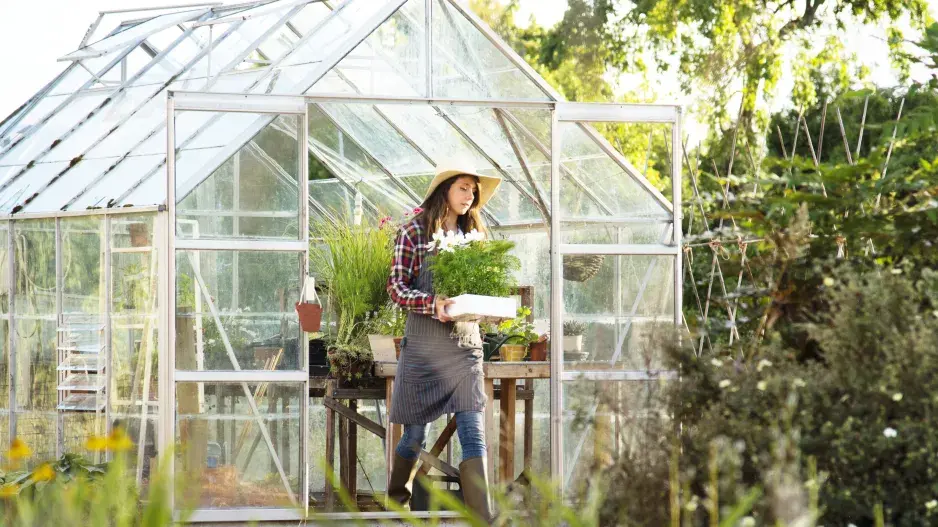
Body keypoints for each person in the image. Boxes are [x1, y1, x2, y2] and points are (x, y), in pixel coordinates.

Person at [386, 166, 501, 522]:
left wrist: (488, 309)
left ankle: (483, 518)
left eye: (474, 192)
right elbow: (396, 288)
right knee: (416, 434)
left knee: (472, 431)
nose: (470, 196)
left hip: (465, 348)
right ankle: (396, 500)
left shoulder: (475, 235)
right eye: (464, 188)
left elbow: (485, 289)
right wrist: (432, 304)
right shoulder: (414, 232)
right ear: (445, 190)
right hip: (423, 349)